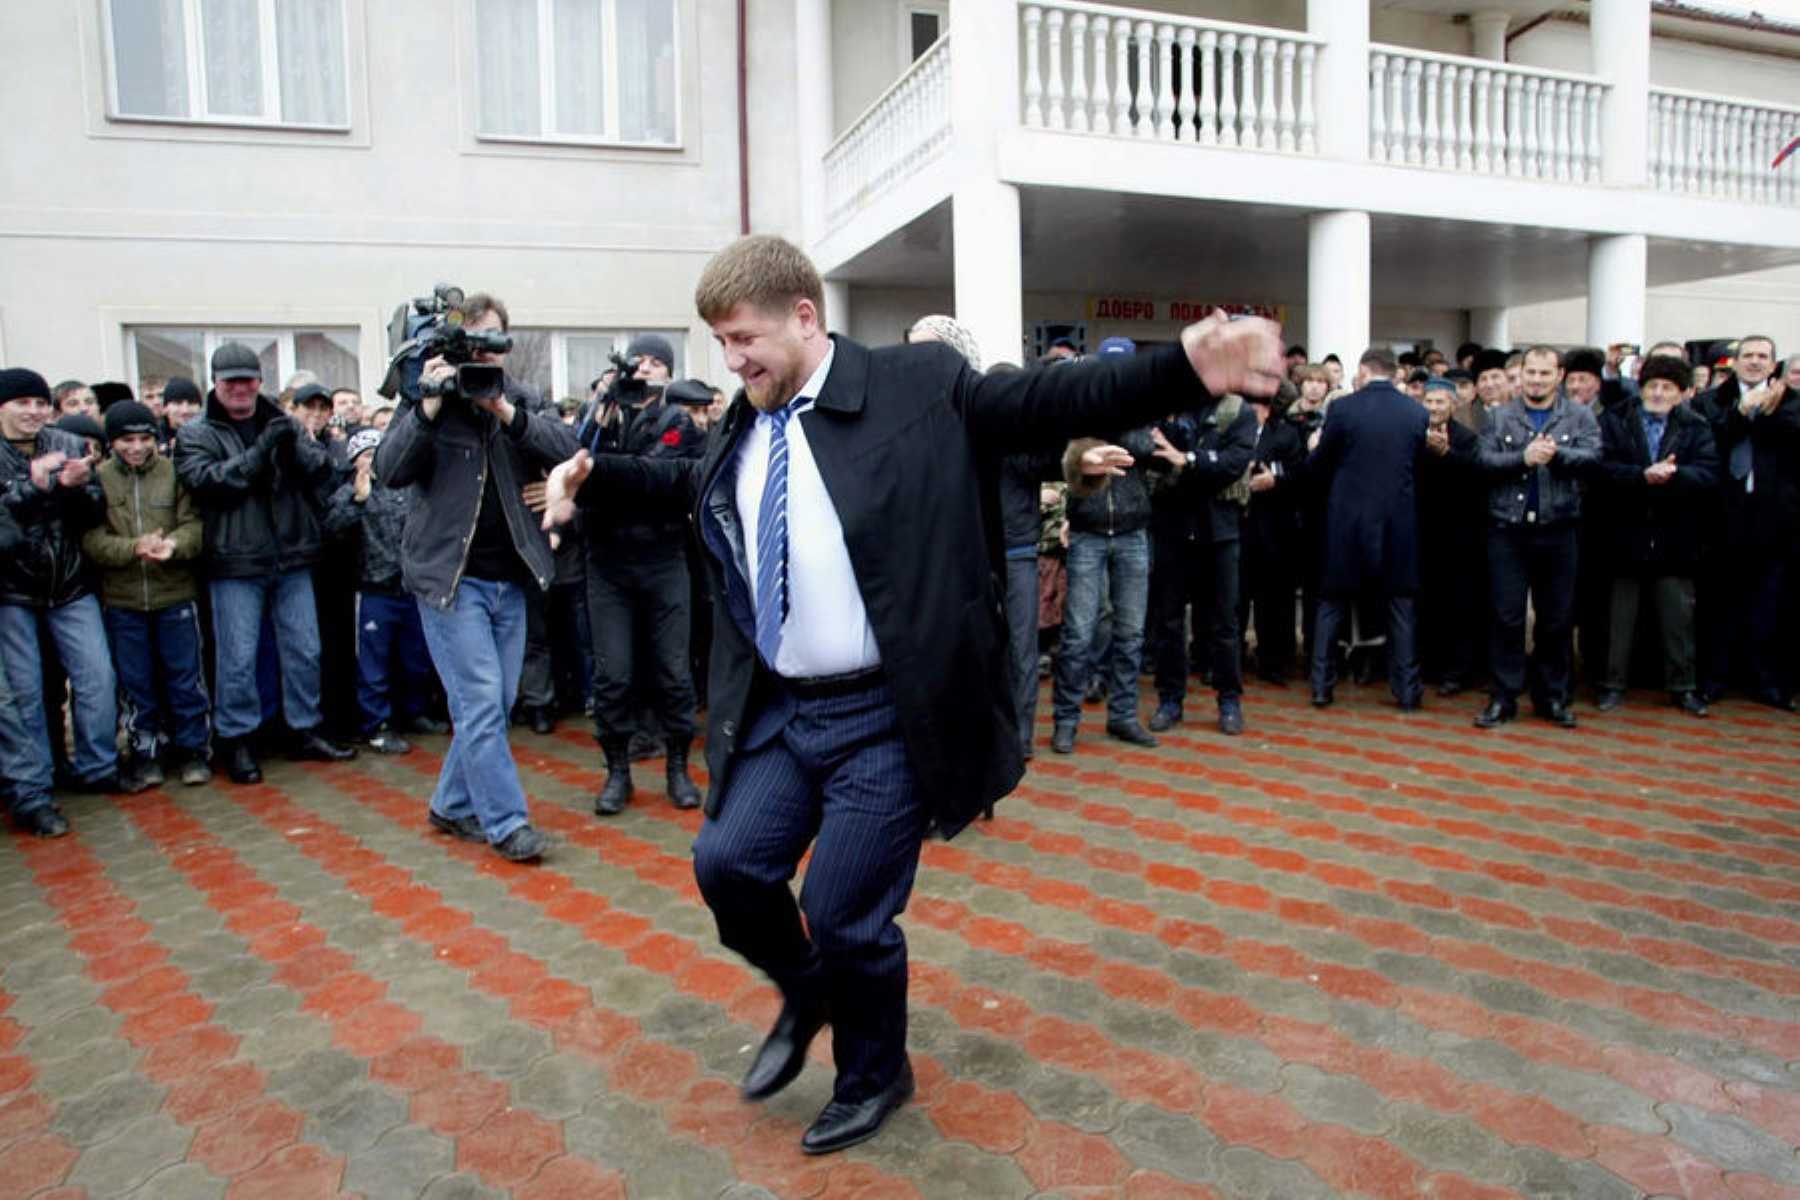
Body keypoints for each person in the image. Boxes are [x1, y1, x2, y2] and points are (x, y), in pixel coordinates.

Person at [540, 234, 1283, 1156]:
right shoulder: (750, 414)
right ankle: (807, 986)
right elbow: (695, 483)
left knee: (848, 910)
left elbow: (1044, 399)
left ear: (804, 317)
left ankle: (874, 1070)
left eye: (742, 339)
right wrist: (597, 472)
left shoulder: (918, 384)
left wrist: (1183, 367)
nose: (731, 362)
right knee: (729, 867)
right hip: (784, 706)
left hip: (889, 712)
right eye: (720, 346)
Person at [374, 293, 578, 861]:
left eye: (493, 340)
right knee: (481, 702)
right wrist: (427, 407)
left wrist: (505, 414)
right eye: (473, 341)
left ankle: (450, 804)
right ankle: (507, 823)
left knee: (497, 700)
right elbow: (388, 470)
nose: (482, 353)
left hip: (509, 577)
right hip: (449, 581)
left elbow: (567, 449)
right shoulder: (428, 398)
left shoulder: (518, 398)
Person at [175, 342, 357, 783]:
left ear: (260, 382)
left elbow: (323, 472)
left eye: (248, 380)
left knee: (305, 651)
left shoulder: (280, 421)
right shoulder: (196, 432)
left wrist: (292, 443)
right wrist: (261, 452)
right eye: (230, 381)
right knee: (237, 659)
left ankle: (303, 728)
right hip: (234, 561)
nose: (240, 389)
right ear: (215, 385)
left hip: (293, 555)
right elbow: (210, 483)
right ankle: (237, 739)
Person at [0, 368, 139, 838]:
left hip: (70, 582)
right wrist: (34, 486)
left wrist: (80, 487)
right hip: (12, 590)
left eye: (40, 403)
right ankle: (32, 789)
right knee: (24, 694)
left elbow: (94, 512)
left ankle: (98, 766)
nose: (33, 412)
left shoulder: (65, 440)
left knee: (98, 676)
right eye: (22, 403)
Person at [576, 333, 707, 814]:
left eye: (657, 361)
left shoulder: (679, 423)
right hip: (607, 565)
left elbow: (667, 476)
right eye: (640, 360)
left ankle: (678, 768)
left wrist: (600, 471)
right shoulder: (604, 418)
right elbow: (573, 464)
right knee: (614, 675)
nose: (647, 368)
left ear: (669, 373)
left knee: (674, 672)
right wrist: (598, 416)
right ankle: (617, 773)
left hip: (663, 561)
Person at [83, 400, 212, 787]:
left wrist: (173, 545)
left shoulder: (174, 473)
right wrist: (133, 548)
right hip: (123, 600)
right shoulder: (100, 479)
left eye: (144, 439)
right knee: (136, 683)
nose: (137, 447)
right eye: (127, 440)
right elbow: (91, 539)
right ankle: (145, 752)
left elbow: (195, 525)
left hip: (174, 594)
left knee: (185, 679)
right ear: (112, 442)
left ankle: (193, 751)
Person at [1474, 345, 1602, 729]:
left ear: (1558, 376)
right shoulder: (1499, 416)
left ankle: (1554, 697)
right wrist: (1522, 459)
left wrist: (1556, 454)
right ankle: (1504, 697)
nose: (1536, 380)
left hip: (1559, 529)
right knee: (1507, 618)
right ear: (1521, 374)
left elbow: (1594, 457)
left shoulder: (1579, 416)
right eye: (1531, 372)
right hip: (1507, 531)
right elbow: (1483, 461)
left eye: (1545, 374)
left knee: (1556, 620)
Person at [1593, 354, 1718, 716]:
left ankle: (1683, 687)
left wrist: (1675, 476)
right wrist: (1640, 476)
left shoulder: (1696, 426)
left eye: (1667, 388)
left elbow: (1709, 474)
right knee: (1619, 618)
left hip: (1675, 535)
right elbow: (1600, 469)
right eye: (1652, 386)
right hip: (1625, 533)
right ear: (1641, 387)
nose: (1659, 393)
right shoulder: (1615, 420)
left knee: (1678, 618)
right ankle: (1612, 684)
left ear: (1682, 393)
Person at [1054, 337, 1163, 751]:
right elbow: (1071, 453)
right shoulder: (1082, 407)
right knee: (1078, 634)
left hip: (1134, 532)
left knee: (1131, 633)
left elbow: (1141, 449)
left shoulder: (1141, 408)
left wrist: (1116, 417)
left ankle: (1122, 716)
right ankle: (1067, 719)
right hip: (1088, 532)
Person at [1305, 348, 1429, 710]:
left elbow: (1320, 465)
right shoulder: (1416, 413)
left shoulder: (1343, 409)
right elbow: (1416, 465)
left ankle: (1321, 687)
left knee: (1331, 605)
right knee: (1400, 608)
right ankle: (1407, 691)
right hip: (1398, 523)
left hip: (1347, 523)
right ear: (1395, 373)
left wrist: (1315, 449)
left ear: (1362, 370)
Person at [1144, 377, 1258, 735]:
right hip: (1173, 529)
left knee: (1224, 622)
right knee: (1169, 620)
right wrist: (1192, 463)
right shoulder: (1166, 408)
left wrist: (1188, 460)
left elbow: (1232, 465)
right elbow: (1155, 460)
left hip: (1219, 530)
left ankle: (1228, 700)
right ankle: (1170, 699)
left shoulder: (1238, 411)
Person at [1693, 334, 1796, 709]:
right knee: (1718, 605)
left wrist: (1768, 413)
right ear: (1734, 363)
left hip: (1772, 521)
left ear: (1773, 364)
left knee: (1769, 606)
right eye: (1748, 356)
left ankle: (1765, 681)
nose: (1754, 362)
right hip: (1722, 520)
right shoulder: (1709, 402)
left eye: (1763, 357)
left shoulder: (1792, 403)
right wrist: (1741, 413)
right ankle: (1714, 679)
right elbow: (1710, 443)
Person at [325, 428, 440, 753]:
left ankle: (415, 712)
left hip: (411, 589)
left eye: (378, 452)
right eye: (365, 455)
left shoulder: (405, 487)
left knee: (416, 658)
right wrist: (356, 499)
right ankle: (376, 725)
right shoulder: (349, 493)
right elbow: (333, 529)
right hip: (374, 591)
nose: (373, 460)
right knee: (373, 665)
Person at [1414, 376, 1483, 696]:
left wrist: (1446, 455)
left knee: (1459, 605)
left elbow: (1475, 475)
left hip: (1459, 535)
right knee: (1426, 602)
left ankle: (1457, 671)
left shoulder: (1467, 438)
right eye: (1429, 402)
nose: (1434, 408)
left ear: (1453, 405)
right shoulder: (1412, 436)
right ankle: (1427, 665)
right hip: (1422, 532)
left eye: (1440, 402)